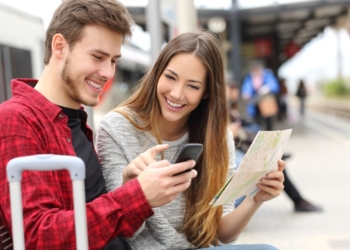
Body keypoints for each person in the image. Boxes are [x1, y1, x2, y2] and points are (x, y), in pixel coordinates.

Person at [0, 1, 197, 249]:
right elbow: (38, 238)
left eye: (113, 60)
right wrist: (137, 196)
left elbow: (94, 217)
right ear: (60, 46)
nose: (108, 72)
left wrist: (129, 186)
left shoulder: (74, 119)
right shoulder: (16, 119)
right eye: (98, 57)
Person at [96, 30, 285, 250]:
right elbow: (119, 233)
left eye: (193, 86)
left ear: (206, 92)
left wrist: (256, 198)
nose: (176, 94)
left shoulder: (216, 136)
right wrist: (133, 189)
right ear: (157, 73)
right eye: (170, 77)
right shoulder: (116, 127)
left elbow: (223, 233)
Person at [227, 83, 322, 212]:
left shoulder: (232, 107)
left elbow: (245, 122)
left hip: (239, 143)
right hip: (234, 146)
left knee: (274, 159)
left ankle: (298, 200)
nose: (233, 94)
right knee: (272, 161)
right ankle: (298, 200)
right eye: (230, 91)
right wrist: (230, 132)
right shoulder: (219, 109)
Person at [241, 61, 280, 131]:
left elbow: (274, 85)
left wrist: (267, 87)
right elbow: (247, 87)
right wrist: (246, 92)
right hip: (254, 104)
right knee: (256, 122)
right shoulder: (250, 77)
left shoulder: (267, 75)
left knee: (268, 123)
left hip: (265, 103)